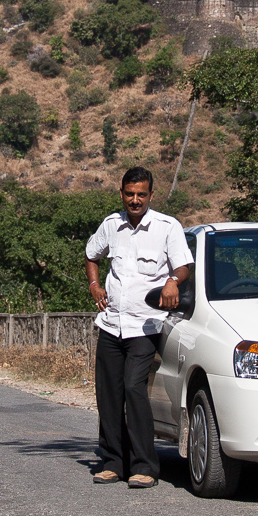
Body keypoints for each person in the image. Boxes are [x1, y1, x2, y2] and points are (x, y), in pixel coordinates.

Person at [84, 166, 193, 488]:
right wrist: (93, 285)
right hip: (111, 323)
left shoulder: (166, 227)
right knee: (108, 394)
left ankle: (144, 465)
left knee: (134, 388)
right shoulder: (111, 225)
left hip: (146, 325)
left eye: (141, 194)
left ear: (150, 195)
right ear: (121, 193)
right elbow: (92, 255)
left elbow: (183, 266)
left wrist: (173, 282)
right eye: (129, 194)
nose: (135, 200)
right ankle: (112, 462)